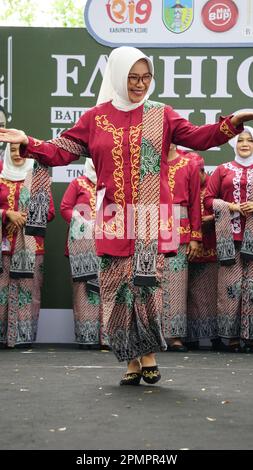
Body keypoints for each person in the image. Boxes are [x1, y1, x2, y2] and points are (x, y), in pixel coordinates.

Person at [0, 46, 252, 384]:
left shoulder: (161, 114)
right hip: (113, 217)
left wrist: (233, 123)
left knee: (146, 288)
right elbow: (61, 150)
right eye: (132, 78)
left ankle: (146, 353)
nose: (140, 84)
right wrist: (29, 142)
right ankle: (130, 359)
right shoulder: (96, 118)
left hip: (149, 219)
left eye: (146, 77)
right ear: (118, 77)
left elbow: (199, 137)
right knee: (115, 289)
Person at [0, 143, 55, 348]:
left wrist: (26, 216)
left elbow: (50, 212)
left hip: (31, 248)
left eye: (21, 150)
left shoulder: (38, 178)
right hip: (3, 247)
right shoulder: (0, 174)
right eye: (13, 150)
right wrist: (7, 215)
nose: (17, 154)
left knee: (27, 292)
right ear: (6, 152)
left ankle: (23, 338)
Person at [204, 127, 253, 353]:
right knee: (230, 287)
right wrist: (231, 206)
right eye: (240, 140)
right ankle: (231, 336)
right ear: (233, 144)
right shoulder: (223, 170)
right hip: (230, 238)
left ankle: (250, 336)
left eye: (249, 140)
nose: (244, 144)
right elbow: (208, 200)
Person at [60, 159, 108, 348]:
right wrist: (84, 223)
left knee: (109, 289)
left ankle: (107, 338)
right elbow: (65, 208)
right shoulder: (78, 183)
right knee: (84, 291)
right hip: (82, 247)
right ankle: (87, 337)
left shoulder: (113, 184)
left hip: (108, 244)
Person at [162, 144, 202, 352]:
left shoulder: (189, 164)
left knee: (177, 282)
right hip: (152, 223)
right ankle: (153, 335)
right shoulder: (150, 163)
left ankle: (175, 335)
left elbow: (195, 201)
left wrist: (196, 236)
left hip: (180, 225)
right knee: (150, 282)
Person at [186, 153, 220, 350]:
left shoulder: (212, 185)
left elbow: (225, 210)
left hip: (211, 246)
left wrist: (211, 220)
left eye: (193, 174)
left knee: (211, 293)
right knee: (190, 294)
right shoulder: (185, 185)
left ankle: (215, 337)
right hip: (189, 247)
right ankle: (192, 338)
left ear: (201, 171)